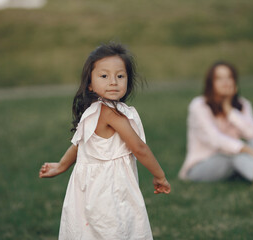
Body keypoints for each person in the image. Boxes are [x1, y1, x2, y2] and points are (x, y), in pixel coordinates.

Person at [39, 43, 171, 239]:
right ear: (90, 84)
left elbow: (80, 144)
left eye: (120, 76)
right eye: (104, 76)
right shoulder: (109, 113)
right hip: (108, 189)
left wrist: (61, 166)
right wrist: (159, 176)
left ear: (128, 80)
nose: (113, 82)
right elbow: (139, 148)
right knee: (113, 230)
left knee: (92, 232)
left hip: (92, 188)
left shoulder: (96, 110)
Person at [178, 61, 253, 190]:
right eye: (219, 78)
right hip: (201, 166)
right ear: (210, 83)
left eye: (229, 77)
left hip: (234, 160)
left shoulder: (243, 104)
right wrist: (245, 149)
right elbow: (215, 139)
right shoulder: (199, 106)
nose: (225, 82)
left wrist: (229, 110)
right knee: (235, 154)